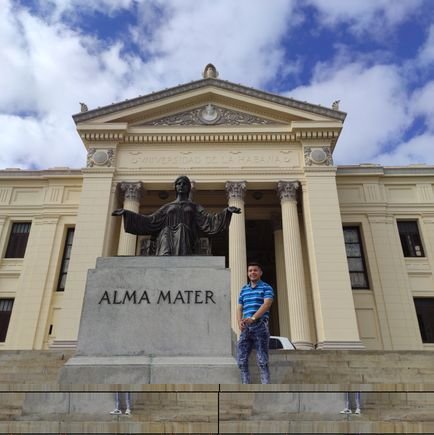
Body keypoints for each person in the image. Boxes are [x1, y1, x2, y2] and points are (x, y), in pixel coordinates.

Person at [112, 176, 241, 256]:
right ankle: (165, 259)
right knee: (167, 230)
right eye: (178, 184)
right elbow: (150, 221)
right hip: (166, 237)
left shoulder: (194, 206)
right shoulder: (168, 206)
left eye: (184, 184)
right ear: (175, 187)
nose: (181, 186)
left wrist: (227, 211)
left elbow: (209, 220)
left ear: (188, 188)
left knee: (181, 228)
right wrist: (127, 213)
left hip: (187, 238)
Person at [237, 262, 274, 384]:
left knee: (262, 360)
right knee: (241, 360)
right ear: (248, 273)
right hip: (246, 328)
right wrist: (239, 322)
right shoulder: (244, 289)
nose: (252, 272)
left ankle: (266, 387)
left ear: (260, 273)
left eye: (255, 270)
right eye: (250, 270)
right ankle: (245, 386)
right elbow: (239, 308)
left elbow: (267, 304)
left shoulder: (266, 287)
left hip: (259, 326)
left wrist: (253, 318)